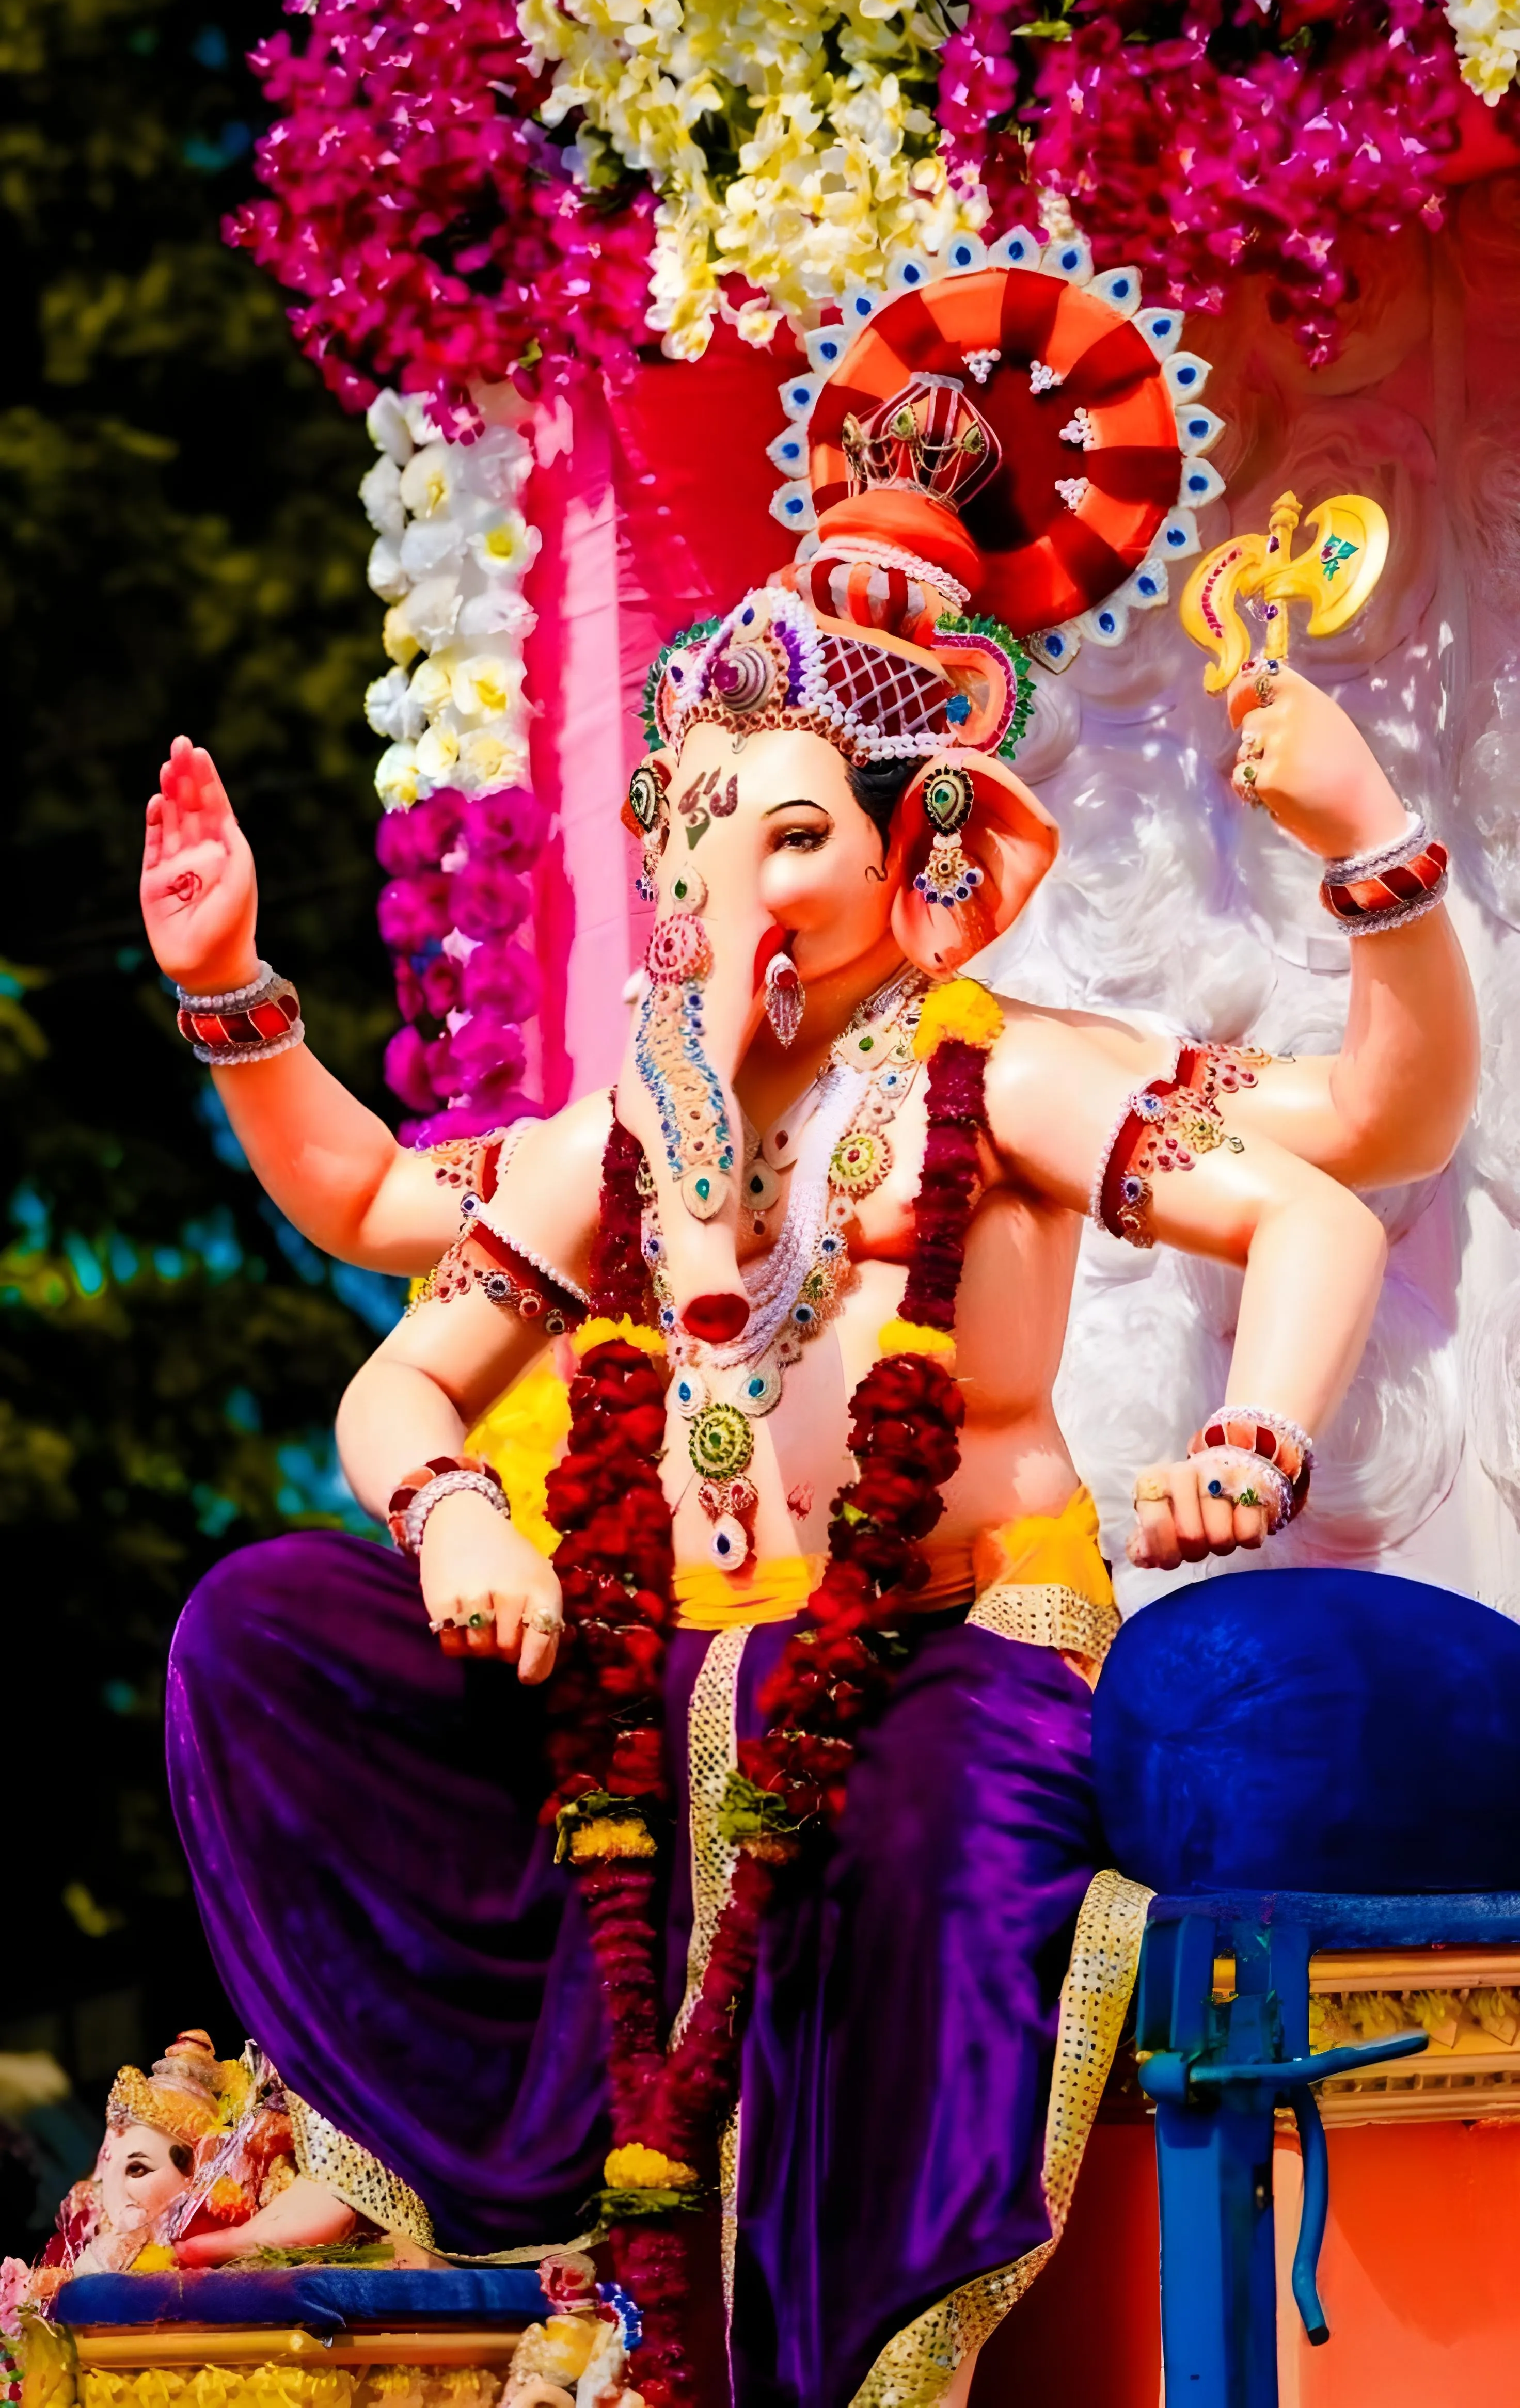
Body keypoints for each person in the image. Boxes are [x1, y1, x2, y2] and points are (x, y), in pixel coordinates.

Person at [142, 268, 1477, 2407]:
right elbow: (382, 1239)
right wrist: (446, 1494)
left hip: (939, 1673)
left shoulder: (1000, 1071)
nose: (721, 879)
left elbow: (1347, 1165)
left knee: (901, 1876)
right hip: (647, 1687)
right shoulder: (638, 1123)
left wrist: (1368, 857)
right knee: (265, 1632)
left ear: (921, 859)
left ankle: (828, 2371)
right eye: (691, 823)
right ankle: (513, 2210)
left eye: (790, 831)